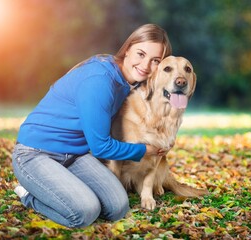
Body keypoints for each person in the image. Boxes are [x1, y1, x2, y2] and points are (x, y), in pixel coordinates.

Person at [12, 23, 172, 228]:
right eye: (141, 54)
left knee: (117, 208)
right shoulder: (100, 80)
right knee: (84, 213)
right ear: (128, 48)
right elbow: (100, 147)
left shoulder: (128, 81)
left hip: (75, 154)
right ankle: (28, 195)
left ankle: (65, 185)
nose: (146, 65)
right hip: (35, 153)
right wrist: (145, 150)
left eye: (155, 60)